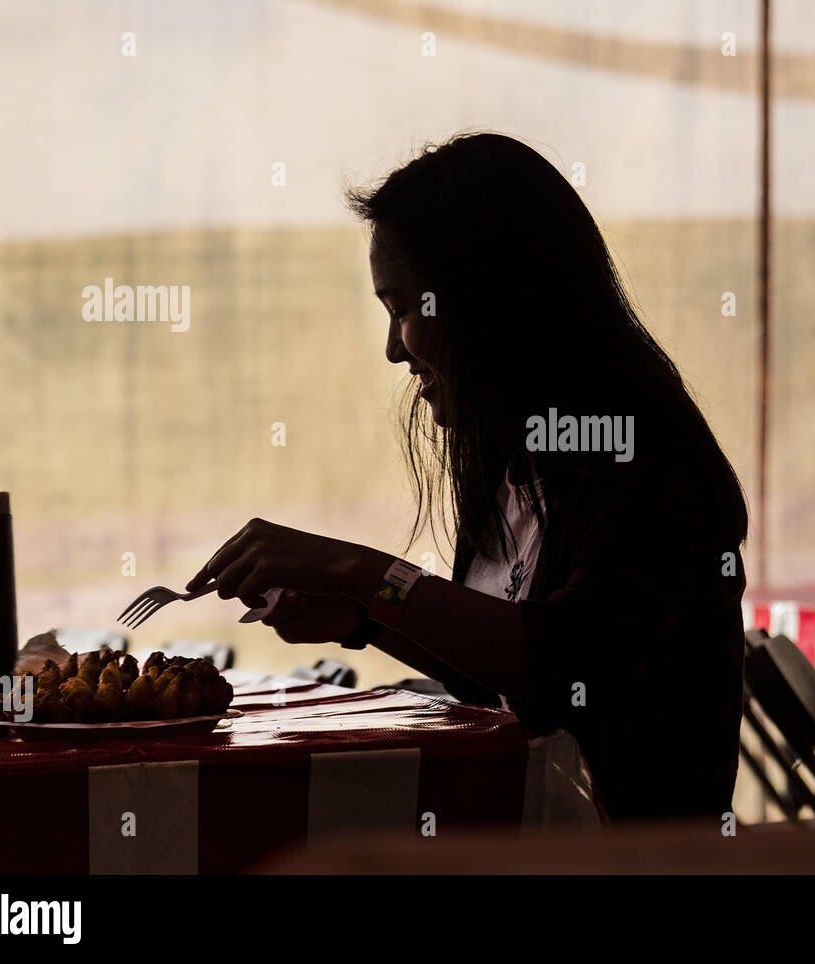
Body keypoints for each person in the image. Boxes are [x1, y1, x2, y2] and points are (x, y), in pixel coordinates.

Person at [188, 132, 749, 821]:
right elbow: (497, 669)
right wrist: (362, 618)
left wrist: (359, 573)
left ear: (491, 301)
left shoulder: (650, 464)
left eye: (403, 310)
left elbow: (561, 665)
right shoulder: (514, 458)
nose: (395, 349)